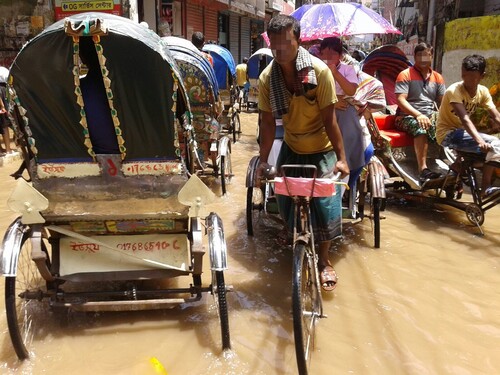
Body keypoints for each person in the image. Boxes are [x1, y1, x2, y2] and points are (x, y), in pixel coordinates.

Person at [257, 14, 349, 292]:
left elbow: (331, 120)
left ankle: (324, 260)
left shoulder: (319, 72)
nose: (280, 50)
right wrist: (262, 161)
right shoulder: (266, 78)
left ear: (298, 41)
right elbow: (267, 122)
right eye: (275, 44)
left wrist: (342, 158)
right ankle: (292, 229)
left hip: (321, 148)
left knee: (325, 205)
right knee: (282, 197)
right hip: (293, 145)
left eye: (286, 43)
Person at [436, 54, 500, 197]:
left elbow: (495, 115)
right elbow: (465, 119)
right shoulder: (454, 90)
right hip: (447, 134)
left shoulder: (483, 91)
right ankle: (485, 189)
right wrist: (480, 141)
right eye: (465, 76)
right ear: (462, 73)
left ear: (482, 76)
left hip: (463, 134)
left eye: (473, 78)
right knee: (495, 144)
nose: (468, 81)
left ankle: (459, 167)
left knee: (494, 149)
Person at [394, 41, 446, 183]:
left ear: (431, 56)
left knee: (449, 128)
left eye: (426, 55)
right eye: (420, 55)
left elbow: (443, 103)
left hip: (430, 114)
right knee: (420, 127)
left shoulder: (438, 78)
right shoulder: (405, 75)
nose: (423, 58)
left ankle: (455, 168)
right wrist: (418, 115)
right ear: (415, 57)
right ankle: (423, 169)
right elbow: (400, 100)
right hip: (406, 117)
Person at [319, 37, 364, 193]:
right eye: (325, 54)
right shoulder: (315, 69)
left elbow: (351, 90)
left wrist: (335, 73)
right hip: (321, 107)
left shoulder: (348, 69)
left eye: (333, 54)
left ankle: (346, 171)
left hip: (344, 110)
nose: (328, 58)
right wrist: (333, 101)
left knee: (354, 134)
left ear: (340, 55)